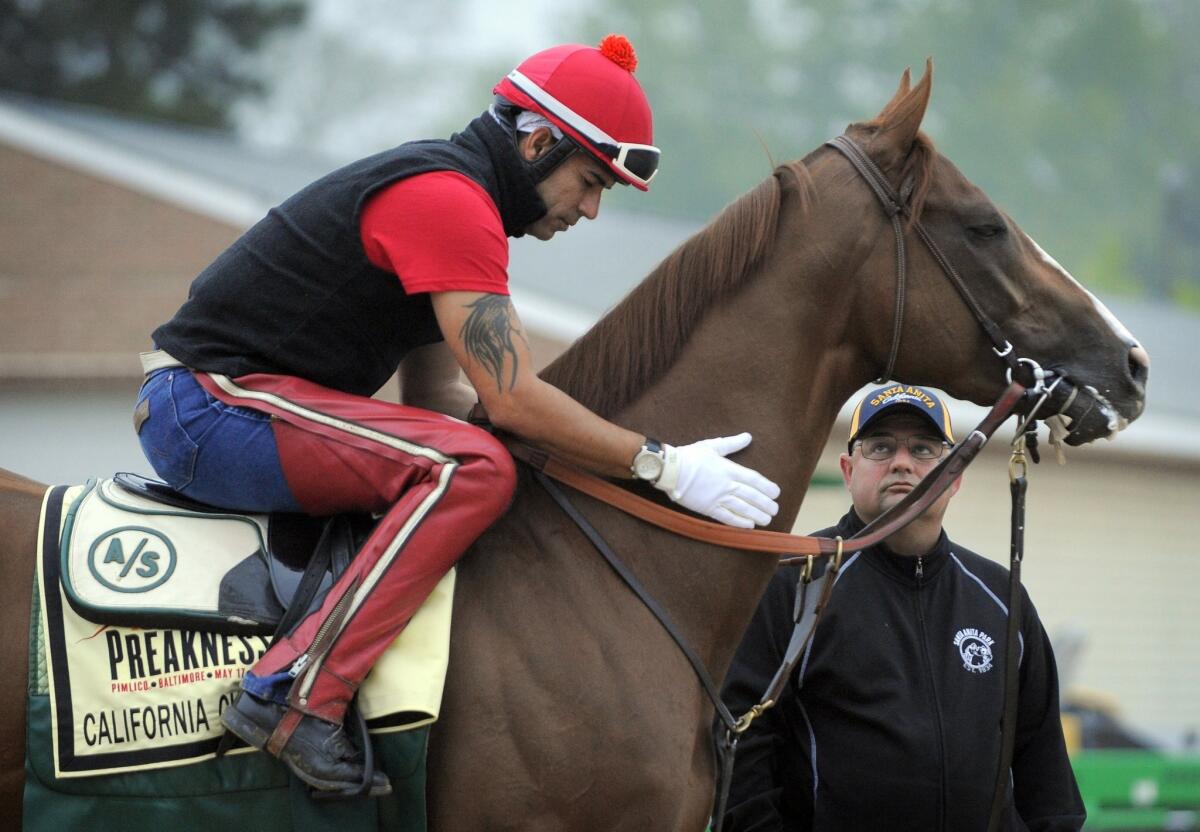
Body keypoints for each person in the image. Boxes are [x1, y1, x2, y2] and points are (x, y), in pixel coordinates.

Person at [133, 35, 782, 797]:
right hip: (206, 407)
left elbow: (447, 408)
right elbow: (513, 401)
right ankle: (295, 693)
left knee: (471, 452)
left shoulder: (458, 197)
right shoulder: (448, 200)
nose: (593, 210)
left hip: (238, 405)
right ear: (538, 141)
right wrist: (663, 465)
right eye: (588, 180)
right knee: (473, 467)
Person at [719, 384, 1085, 831]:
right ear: (849, 470)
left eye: (923, 449)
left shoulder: (1000, 596)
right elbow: (741, 746)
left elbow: (1042, 759)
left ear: (955, 475)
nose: (902, 462)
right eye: (881, 447)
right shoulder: (794, 584)